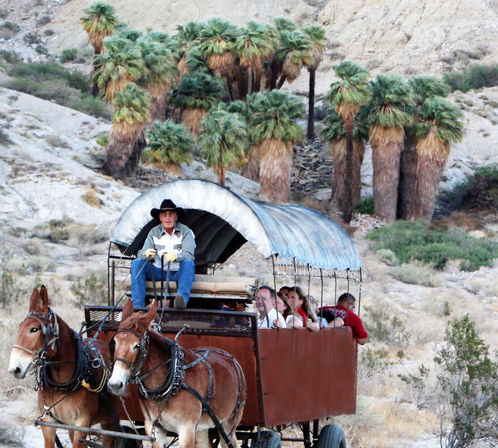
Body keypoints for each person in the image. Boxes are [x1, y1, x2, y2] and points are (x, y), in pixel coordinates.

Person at [131, 199, 195, 309]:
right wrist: (146, 254)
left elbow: (189, 255)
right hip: (157, 272)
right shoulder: (153, 232)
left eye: (171, 214)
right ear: (160, 218)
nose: (167, 218)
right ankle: (138, 307)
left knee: (188, 263)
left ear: (176, 217)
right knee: (137, 263)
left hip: (177, 273)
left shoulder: (186, 232)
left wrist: (176, 257)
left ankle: (181, 301)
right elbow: (141, 253)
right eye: (164, 214)